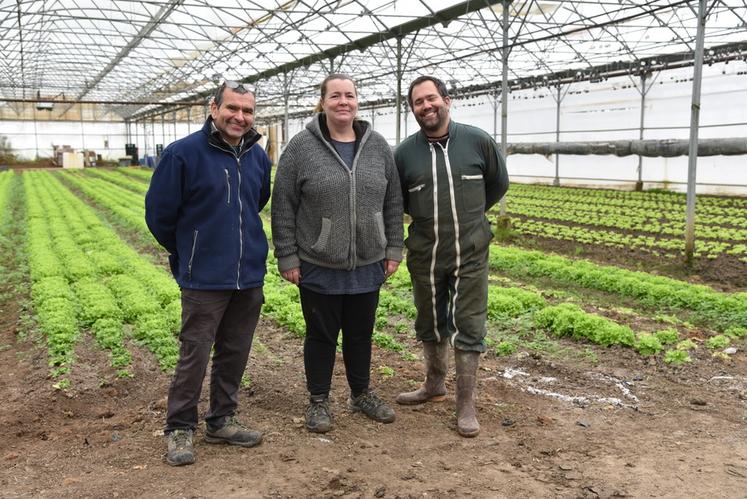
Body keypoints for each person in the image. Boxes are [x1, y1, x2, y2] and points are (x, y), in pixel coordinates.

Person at [145, 80, 271, 466]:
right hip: (204, 277)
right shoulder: (183, 154)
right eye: (232, 108)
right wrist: (190, 252)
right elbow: (159, 215)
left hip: (247, 275)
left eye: (247, 111)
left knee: (235, 351)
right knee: (194, 354)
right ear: (213, 108)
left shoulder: (257, 157)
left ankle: (221, 420)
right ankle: (180, 427)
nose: (240, 117)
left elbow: (259, 199)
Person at [271, 74, 404, 433]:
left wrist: (393, 247)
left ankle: (361, 394)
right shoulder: (300, 148)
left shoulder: (378, 146)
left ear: (357, 102)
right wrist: (287, 255)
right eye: (335, 96)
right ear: (323, 102)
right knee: (321, 336)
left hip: (368, 262)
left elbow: (393, 201)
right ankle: (319, 400)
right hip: (318, 264)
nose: (343, 101)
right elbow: (283, 205)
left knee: (361, 333)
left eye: (349, 95)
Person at [394, 76, 509, 437]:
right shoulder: (404, 154)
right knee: (429, 318)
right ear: (412, 110)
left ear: (447, 100)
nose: (426, 107)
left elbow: (498, 183)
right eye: (418, 103)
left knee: (469, 323)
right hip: (425, 250)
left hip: (470, 248)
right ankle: (434, 383)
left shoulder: (477, 141)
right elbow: (396, 201)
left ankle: (466, 403)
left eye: (431, 99)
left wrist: (471, 218)